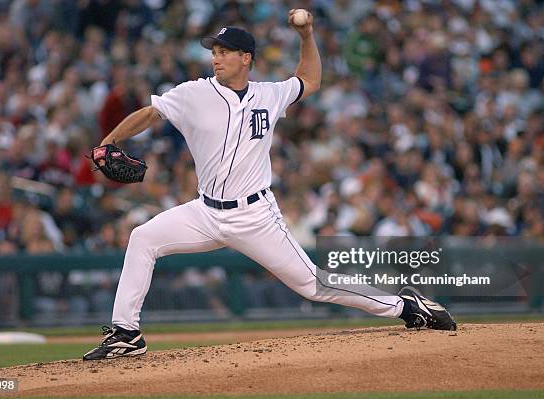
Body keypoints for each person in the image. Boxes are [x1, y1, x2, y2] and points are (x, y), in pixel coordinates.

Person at [83, 10, 456, 361]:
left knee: (314, 285)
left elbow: (309, 80)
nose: (216, 58)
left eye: (225, 52)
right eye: (214, 52)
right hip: (205, 211)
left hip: (256, 215)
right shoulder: (193, 93)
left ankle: (406, 307)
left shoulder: (270, 94)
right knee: (143, 237)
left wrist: (306, 35)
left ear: (246, 58)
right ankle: (126, 333)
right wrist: (109, 142)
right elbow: (150, 113)